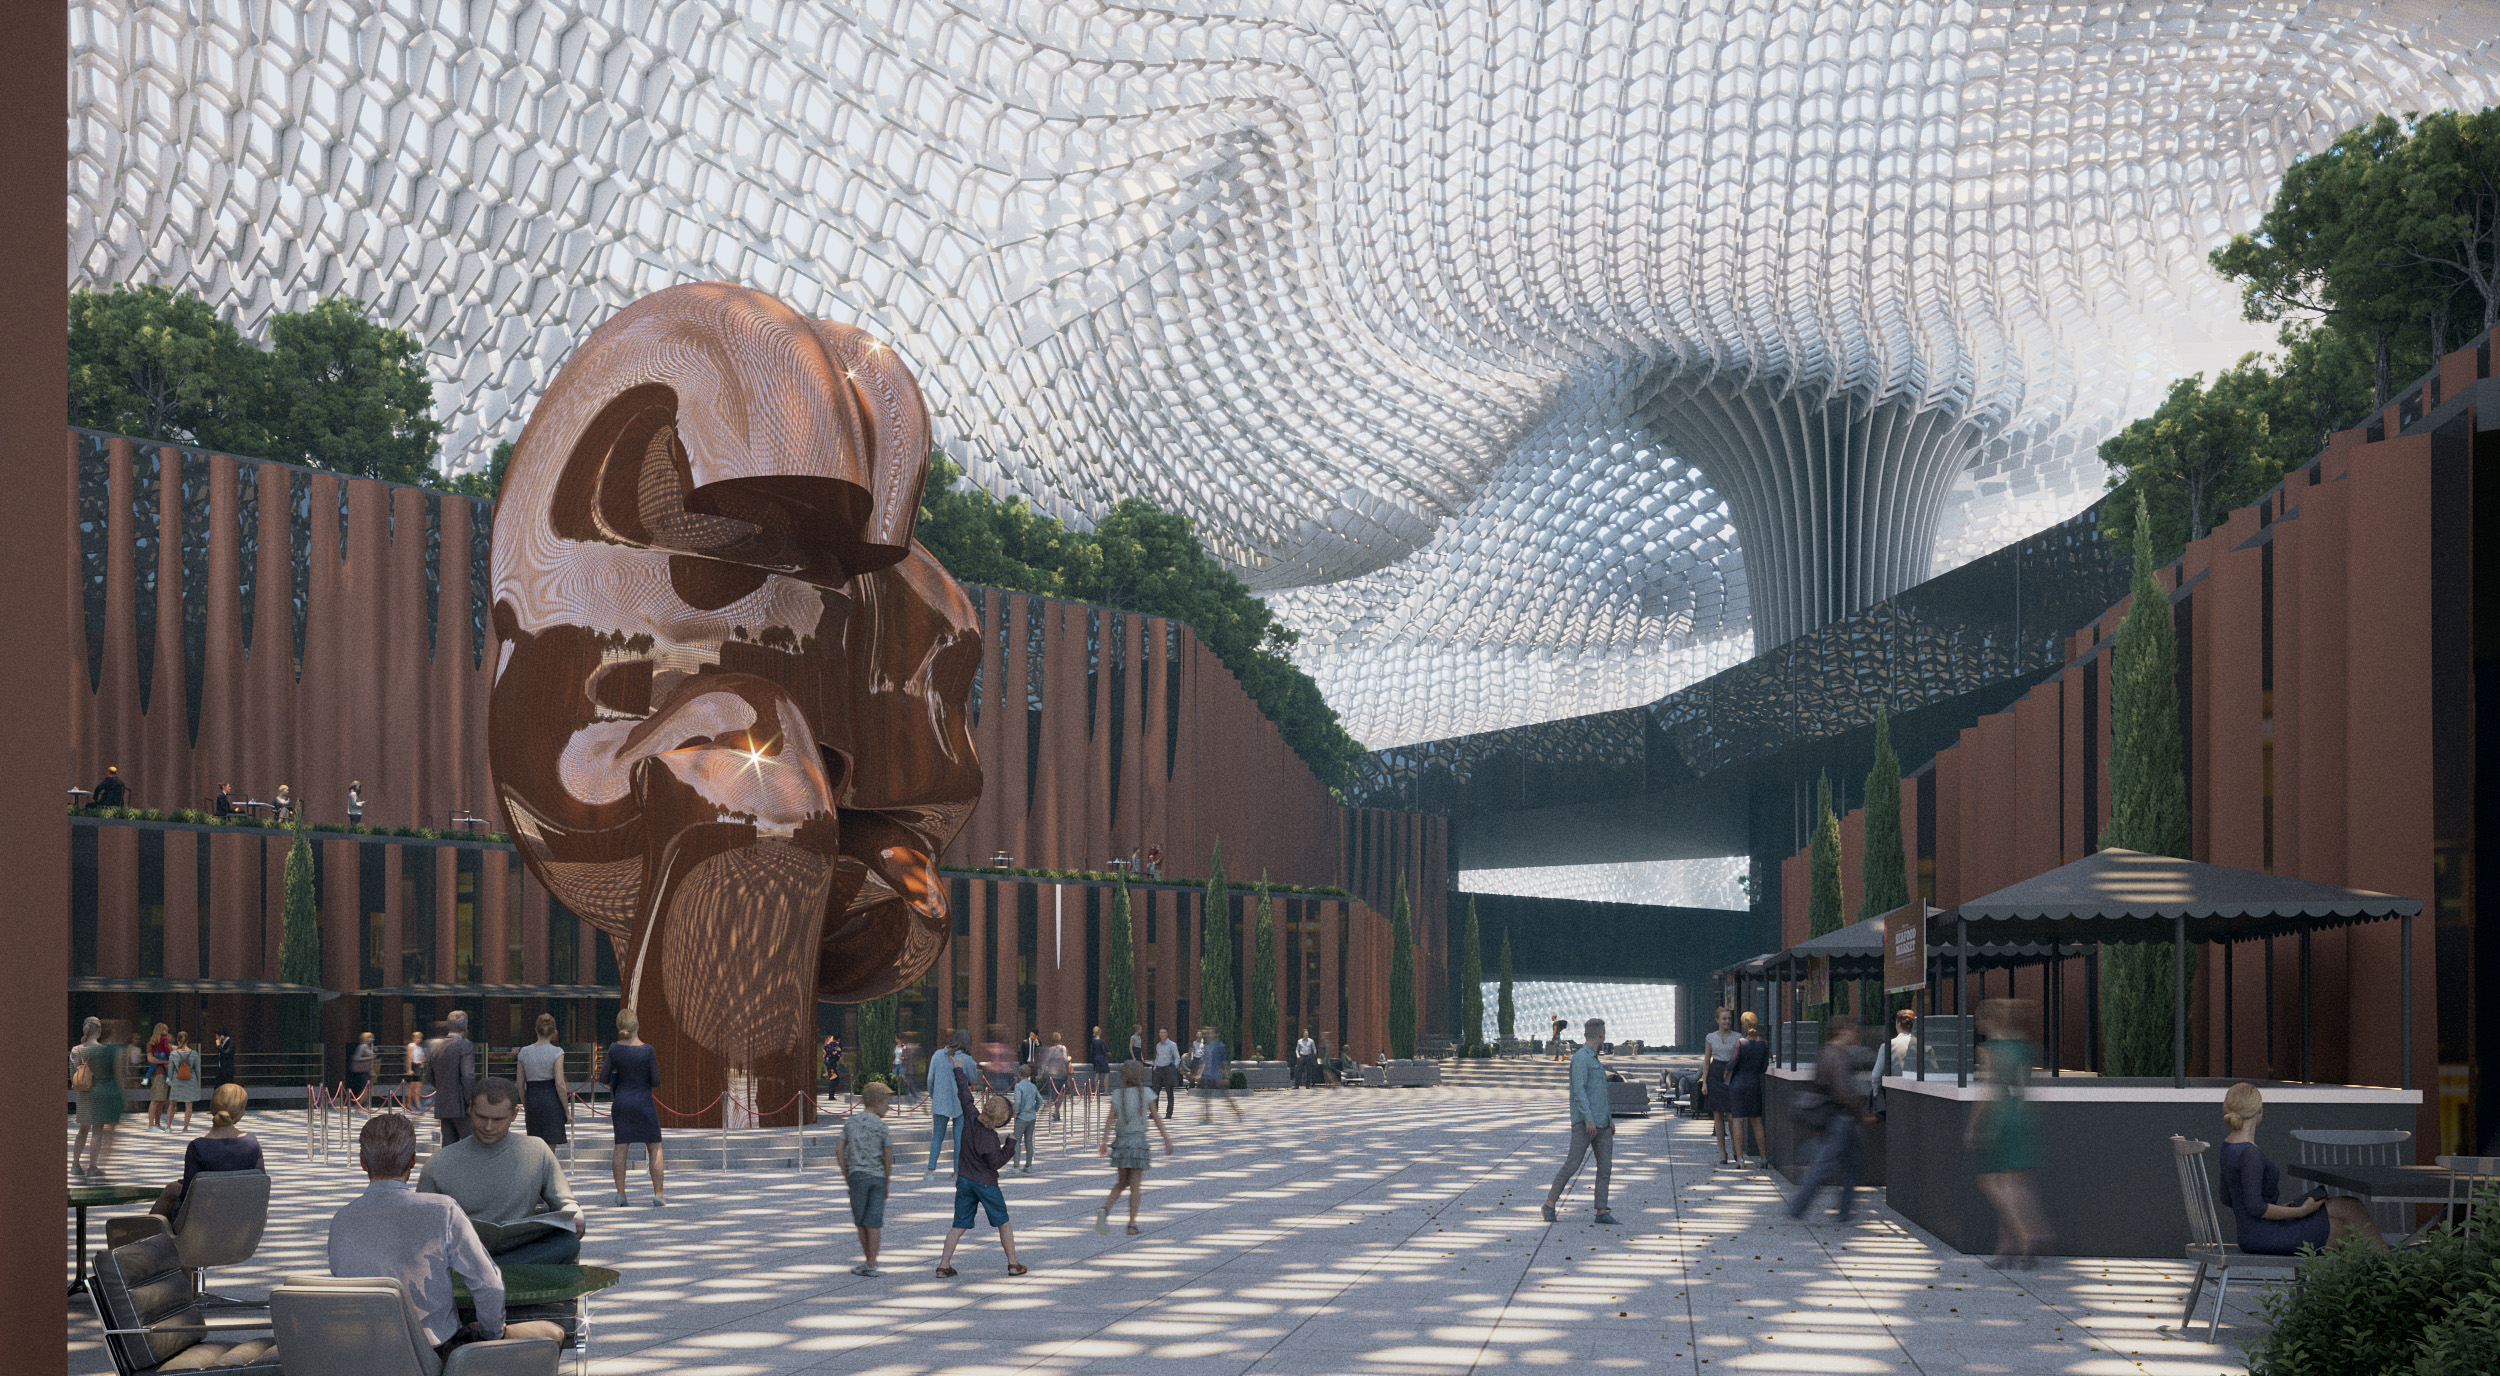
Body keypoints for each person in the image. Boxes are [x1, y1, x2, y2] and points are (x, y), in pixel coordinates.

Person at [330, 1113, 567, 1357]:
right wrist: (490, 1335)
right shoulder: (442, 1211)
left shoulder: (340, 1221)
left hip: (367, 1352)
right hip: (437, 1352)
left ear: (362, 1162)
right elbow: (489, 1285)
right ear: (412, 1161)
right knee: (552, 1333)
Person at [418, 1078, 586, 1265]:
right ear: (470, 1108)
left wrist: (576, 1215)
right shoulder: (439, 1163)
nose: (488, 1127)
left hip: (519, 1247)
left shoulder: (536, 1149)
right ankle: (498, 1272)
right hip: (465, 1253)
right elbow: (421, 1225)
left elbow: (564, 1202)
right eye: (482, 1117)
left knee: (568, 1243)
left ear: (514, 1114)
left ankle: (491, 1273)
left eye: (498, 1119)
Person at [2217, 1081, 2383, 1256]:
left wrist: (2282, 1209)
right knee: (2343, 1228)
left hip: (2253, 1233)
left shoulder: (2228, 1146)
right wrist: (2300, 1211)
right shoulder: (2250, 1153)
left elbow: (2228, 1198)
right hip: (2265, 1236)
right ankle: (2391, 1273)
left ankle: (2382, 1275)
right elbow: (2257, 1208)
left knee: (2350, 1206)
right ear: (2259, 1110)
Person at [1965, 999, 2052, 1265]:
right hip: (2021, 1114)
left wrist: (1973, 1126)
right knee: (2016, 1182)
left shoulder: (1988, 1049)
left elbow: (1987, 1089)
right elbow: (2024, 1086)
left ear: (1988, 1021)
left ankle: (2027, 1235)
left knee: (1990, 1183)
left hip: (1998, 1116)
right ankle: (2006, 1247)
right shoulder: (2025, 1047)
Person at [932, 1051, 1026, 1278]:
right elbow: (995, 1163)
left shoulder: (971, 1116)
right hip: (986, 1184)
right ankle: (1013, 1264)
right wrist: (1010, 1146)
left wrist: (957, 1067)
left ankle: (944, 1265)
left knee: (959, 1224)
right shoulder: (992, 1139)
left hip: (964, 1180)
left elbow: (963, 1092)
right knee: (1003, 1222)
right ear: (1001, 1121)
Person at [1787, 1014, 1877, 1223]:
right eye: (1852, 1030)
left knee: (1852, 1164)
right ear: (1842, 1031)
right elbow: (1843, 1091)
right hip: (1841, 1118)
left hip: (1838, 1117)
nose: (1855, 1034)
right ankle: (1799, 1208)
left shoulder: (1827, 1053)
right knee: (1825, 1166)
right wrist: (1862, 1114)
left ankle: (1843, 1211)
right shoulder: (1836, 1056)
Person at [1538, 1017, 1620, 1225]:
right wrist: (1588, 1120)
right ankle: (1549, 1205)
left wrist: (1609, 1119)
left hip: (1602, 1123)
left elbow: (1600, 1093)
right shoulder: (1581, 1059)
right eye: (1604, 1031)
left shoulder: (1594, 1058)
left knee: (1605, 1168)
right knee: (1572, 1164)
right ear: (1601, 1034)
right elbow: (1579, 1092)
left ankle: (1601, 1211)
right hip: (1585, 1124)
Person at [146, 1083, 262, 1222]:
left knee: (172, 1189)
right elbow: (259, 1188)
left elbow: (187, 1196)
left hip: (201, 1222)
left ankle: (143, 1235)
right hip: (241, 1221)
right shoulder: (252, 1144)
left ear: (212, 1107)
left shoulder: (198, 1146)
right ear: (241, 1110)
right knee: (173, 1188)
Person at [1095, 1059, 1173, 1235]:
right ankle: (1131, 1224)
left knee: (1121, 1182)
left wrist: (1104, 1142)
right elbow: (1157, 1118)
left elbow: (1109, 1119)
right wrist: (1166, 1139)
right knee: (1135, 1186)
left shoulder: (1117, 1094)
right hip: (1138, 1144)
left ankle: (1105, 1209)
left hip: (1121, 1143)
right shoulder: (1146, 1093)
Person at [603, 1007, 665, 1205]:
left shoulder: (614, 1049)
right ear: (637, 1025)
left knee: (621, 1147)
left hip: (621, 1102)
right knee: (654, 1146)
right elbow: (655, 1081)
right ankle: (658, 1194)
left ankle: (621, 1193)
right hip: (644, 1102)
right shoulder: (648, 1050)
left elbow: (603, 1077)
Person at [843, 1081, 895, 1275]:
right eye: (887, 1102)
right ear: (877, 1101)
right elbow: (887, 1156)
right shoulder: (882, 1127)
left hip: (857, 1176)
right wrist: (887, 1180)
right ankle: (872, 1262)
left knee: (861, 1221)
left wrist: (846, 1172)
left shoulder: (851, 1122)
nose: (889, 1107)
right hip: (878, 1178)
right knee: (874, 1222)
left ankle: (868, 1261)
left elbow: (840, 1149)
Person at [924, 1030, 980, 1172]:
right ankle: (957, 1171)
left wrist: (934, 1095)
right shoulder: (966, 1059)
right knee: (959, 1140)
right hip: (960, 1102)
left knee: (937, 1137)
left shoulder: (937, 1055)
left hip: (940, 1101)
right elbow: (973, 1079)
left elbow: (930, 1080)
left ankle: (930, 1171)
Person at [516, 1014, 570, 1147]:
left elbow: (519, 1083)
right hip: (551, 1097)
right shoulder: (557, 1052)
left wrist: (526, 1104)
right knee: (551, 1145)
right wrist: (566, 1111)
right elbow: (559, 1083)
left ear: (536, 1030)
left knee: (535, 1145)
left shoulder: (524, 1052)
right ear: (553, 1032)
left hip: (532, 1097)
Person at [1726, 1011, 1772, 1166]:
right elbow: (1764, 1068)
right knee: (1757, 1122)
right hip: (1754, 1083)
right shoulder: (1764, 1044)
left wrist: (1724, 1074)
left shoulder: (1741, 1043)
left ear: (1744, 1026)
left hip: (1738, 1084)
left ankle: (1740, 1158)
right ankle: (1763, 1157)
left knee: (1738, 1121)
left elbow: (1731, 1064)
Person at [425, 1013, 478, 1144]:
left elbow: (429, 1076)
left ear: (448, 1026)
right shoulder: (465, 1046)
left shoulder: (436, 1047)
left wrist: (444, 1088)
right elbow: (468, 1076)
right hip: (461, 1105)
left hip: (443, 1103)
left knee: (448, 1147)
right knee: (471, 1145)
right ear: (465, 1027)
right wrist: (471, 1100)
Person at [1703, 1007, 1743, 1165]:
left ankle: (1735, 1148)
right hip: (1716, 1073)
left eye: (1729, 1019)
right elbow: (1706, 1060)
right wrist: (1704, 1082)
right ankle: (1722, 1152)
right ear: (1717, 1020)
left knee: (1733, 1115)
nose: (1727, 1021)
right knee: (1717, 1115)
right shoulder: (1710, 1037)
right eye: (1724, 1019)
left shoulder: (1738, 1037)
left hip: (1732, 1074)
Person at [1867, 1007, 1917, 1116]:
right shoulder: (1924, 1045)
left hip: (1894, 1097)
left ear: (1898, 1024)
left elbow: (1876, 1075)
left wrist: (1876, 1094)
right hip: (1918, 1097)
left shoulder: (1888, 1046)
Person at [167, 1032, 204, 1130]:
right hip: (190, 1080)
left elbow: (170, 1070)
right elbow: (197, 1070)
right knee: (188, 1104)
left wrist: (171, 1079)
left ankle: (168, 1126)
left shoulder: (173, 1054)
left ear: (177, 1040)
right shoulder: (194, 1053)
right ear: (188, 1040)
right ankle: (185, 1127)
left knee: (172, 1104)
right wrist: (197, 1080)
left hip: (177, 1080)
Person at [1011, 1063, 1043, 1171]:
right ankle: (1028, 1165)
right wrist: (1035, 1110)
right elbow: (1040, 1100)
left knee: (1016, 1141)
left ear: (1019, 1074)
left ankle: (1016, 1166)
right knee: (1028, 1141)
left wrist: (1015, 1114)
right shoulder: (1033, 1086)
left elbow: (1017, 1102)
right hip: (1031, 1116)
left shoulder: (1018, 1086)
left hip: (1022, 1117)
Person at [1041, 1035, 1072, 1120]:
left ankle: (1056, 1110)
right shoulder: (1063, 1048)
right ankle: (1057, 1111)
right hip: (1062, 1073)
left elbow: (1046, 1062)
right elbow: (1065, 1060)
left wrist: (1047, 1071)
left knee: (1055, 1093)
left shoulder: (1050, 1050)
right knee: (1061, 1093)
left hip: (1053, 1074)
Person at [345, 1031, 378, 1102]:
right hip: (364, 1071)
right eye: (370, 1037)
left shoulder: (369, 1047)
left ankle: (364, 1105)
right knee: (366, 1089)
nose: (372, 1039)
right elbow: (356, 1058)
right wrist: (370, 1058)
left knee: (368, 1089)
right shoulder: (362, 1047)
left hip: (368, 1071)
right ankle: (359, 1104)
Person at [404, 1028, 427, 1111]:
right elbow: (409, 1057)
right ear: (414, 1038)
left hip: (419, 1067)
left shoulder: (420, 1048)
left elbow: (424, 1058)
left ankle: (417, 1103)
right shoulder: (411, 1046)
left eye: (420, 1038)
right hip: (413, 1066)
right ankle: (409, 1103)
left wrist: (420, 1061)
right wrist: (409, 1069)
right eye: (417, 1037)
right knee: (412, 1087)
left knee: (418, 1086)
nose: (419, 1039)